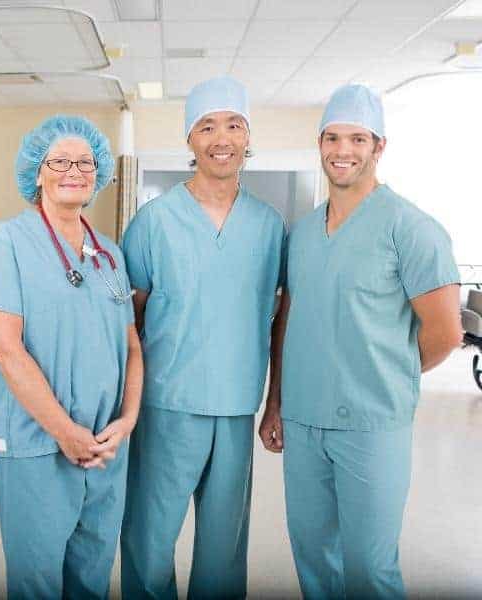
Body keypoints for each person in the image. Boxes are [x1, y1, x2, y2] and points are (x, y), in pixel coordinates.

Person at [258, 84, 462, 599]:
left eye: (356, 138)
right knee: (312, 560)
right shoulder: (301, 233)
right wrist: (276, 401)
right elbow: (288, 318)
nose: (342, 150)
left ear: (379, 146)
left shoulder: (412, 229)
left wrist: (382, 375)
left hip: (371, 426)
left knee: (369, 570)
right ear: (319, 144)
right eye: (331, 137)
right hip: (303, 422)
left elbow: (445, 334)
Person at [119, 76, 286, 599]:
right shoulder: (152, 223)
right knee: (150, 535)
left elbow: (279, 317)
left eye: (234, 125)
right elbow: (132, 320)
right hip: (167, 402)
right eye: (207, 126)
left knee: (224, 546)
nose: (222, 137)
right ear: (190, 140)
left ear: (247, 138)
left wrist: (274, 402)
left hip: (237, 404)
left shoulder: (269, 225)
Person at [0, 115, 143, 599]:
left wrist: (127, 420)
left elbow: (131, 345)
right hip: (38, 441)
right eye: (59, 160)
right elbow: (6, 349)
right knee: (37, 580)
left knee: (92, 571)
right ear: (37, 173)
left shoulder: (110, 253)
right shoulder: (9, 242)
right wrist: (66, 431)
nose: (74, 170)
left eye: (85, 162)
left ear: (99, 173)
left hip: (106, 442)